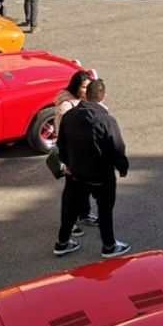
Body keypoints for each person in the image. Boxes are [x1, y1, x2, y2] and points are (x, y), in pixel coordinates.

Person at [54, 79, 130, 258]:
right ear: (104, 96)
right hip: (101, 176)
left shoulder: (69, 116)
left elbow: (61, 144)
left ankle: (62, 243)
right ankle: (109, 246)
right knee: (104, 210)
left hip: (75, 174)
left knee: (70, 209)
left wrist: (66, 164)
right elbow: (117, 148)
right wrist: (122, 167)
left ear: (85, 95)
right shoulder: (106, 120)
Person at [51, 70, 98, 230]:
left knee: (84, 188)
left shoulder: (82, 101)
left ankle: (84, 214)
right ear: (75, 87)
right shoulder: (66, 107)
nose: (87, 91)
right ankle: (69, 225)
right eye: (84, 87)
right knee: (71, 192)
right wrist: (68, 162)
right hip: (72, 158)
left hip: (83, 156)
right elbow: (61, 136)